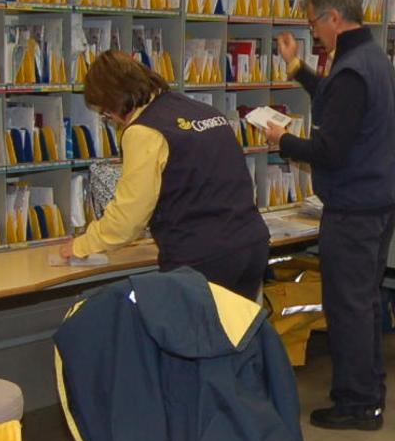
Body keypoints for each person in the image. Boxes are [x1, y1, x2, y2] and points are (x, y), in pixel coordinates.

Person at [264, 0, 395, 431]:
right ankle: (367, 393)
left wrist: (284, 140)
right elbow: (339, 103)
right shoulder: (370, 58)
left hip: (355, 207)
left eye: (314, 24)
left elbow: (331, 150)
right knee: (363, 302)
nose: (313, 32)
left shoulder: (353, 68)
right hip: (375, 201)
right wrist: (298, 69)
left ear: (333, 18)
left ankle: (358, 404)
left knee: (349, 307)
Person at [60, 50, 270, 300]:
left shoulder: (144, 131)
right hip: (250, 244)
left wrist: (82, 245)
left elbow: (130, 216)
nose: (113, 120)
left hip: (202, 258)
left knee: (190, 337)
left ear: (116, 99)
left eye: (107, 113)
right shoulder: (204, 111)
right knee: (234, 334)